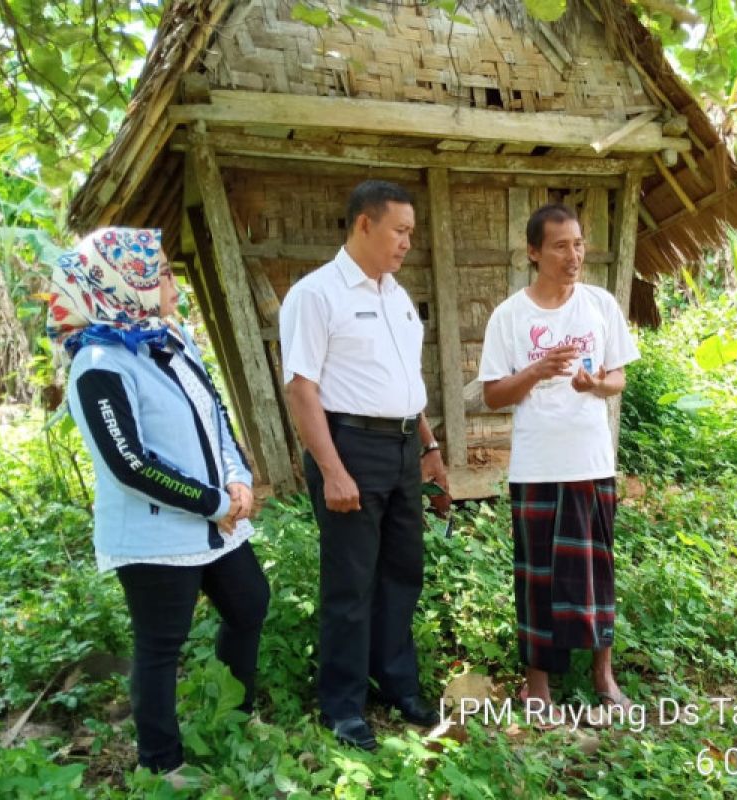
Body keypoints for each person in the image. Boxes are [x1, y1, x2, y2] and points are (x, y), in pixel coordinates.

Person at [51, 227, 269, 784]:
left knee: (249, 604)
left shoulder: (168, 337)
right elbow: (129, 463)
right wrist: (215, 500)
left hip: (216, 521)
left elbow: (213, 412)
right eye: (164, 272)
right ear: (129, 284)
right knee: (160, 646)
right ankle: (161, 762)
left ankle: (234, 714)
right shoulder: (98, 363)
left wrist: (239, 476)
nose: (173, 282)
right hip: (155, 536)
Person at [279, 180, 450, 752]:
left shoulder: (395, 295)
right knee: (350, 583)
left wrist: (427, 446)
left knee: (402, 572)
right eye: (400, 231)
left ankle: (396, 682)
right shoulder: (317, 294)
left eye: (411, 233)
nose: (407, 243)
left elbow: (408, 384)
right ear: (364, 225)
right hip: (350, 446)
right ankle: (343, 705)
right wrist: (331, 470)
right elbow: (302, 389)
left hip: (403, 448)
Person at [478, 203, 640, 710]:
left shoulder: (599, 305)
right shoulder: (510, 315)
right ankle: (539, 685)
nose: (573, 256)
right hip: (537, 466)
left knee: (597, 572)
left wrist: (596, 384)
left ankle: (603, 677)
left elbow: (619, 377)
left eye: (578, 244)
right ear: (533, 252)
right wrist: (537, 370)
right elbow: (492, 395)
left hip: (592, 462)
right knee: (537, 578)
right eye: (560, 246)